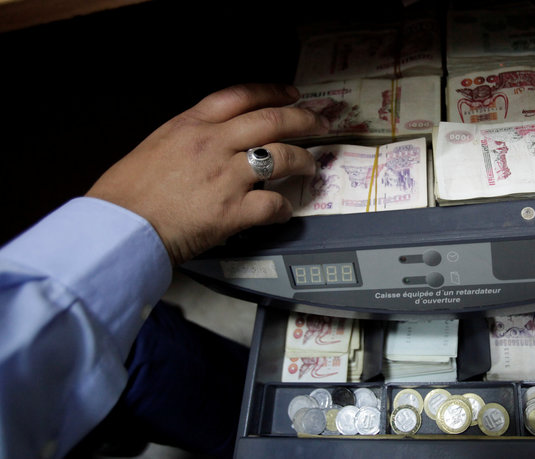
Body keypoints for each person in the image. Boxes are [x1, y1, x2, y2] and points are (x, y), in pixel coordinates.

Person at [0, 83, 330, 458]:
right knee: (271, 439)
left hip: (123, 339)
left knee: (216, 381)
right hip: (40, 397)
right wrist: (134, 223)